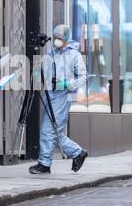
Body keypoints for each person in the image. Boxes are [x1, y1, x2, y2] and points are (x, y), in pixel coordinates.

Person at [29, 25, 89, 175]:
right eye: (55, 38)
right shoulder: (51, 53)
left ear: (66, 39)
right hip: (50, 94)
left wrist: (67, 84)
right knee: (53, 131)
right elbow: (40, 74)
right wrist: (37, 62)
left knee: (48, 130)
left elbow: (83, 77)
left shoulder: (74, 55)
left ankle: (44, 163)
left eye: (60, 38)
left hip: (64, 95)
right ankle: (77, 152)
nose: (56, 41)